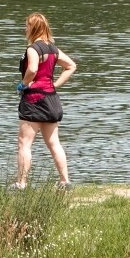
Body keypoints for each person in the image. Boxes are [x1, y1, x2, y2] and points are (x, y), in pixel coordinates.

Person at [14, 11, 76, 189]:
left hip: (34, 99)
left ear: (33, 28)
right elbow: (71, 66)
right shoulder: (53, 49)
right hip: (51, 100)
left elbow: (32, 69)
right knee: (54, 143)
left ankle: (21, 184)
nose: (24, 29)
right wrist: (55, 85)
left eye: (26, 26)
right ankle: (65, 181)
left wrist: (23, 84)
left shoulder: (33, 49)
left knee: (24, 143)